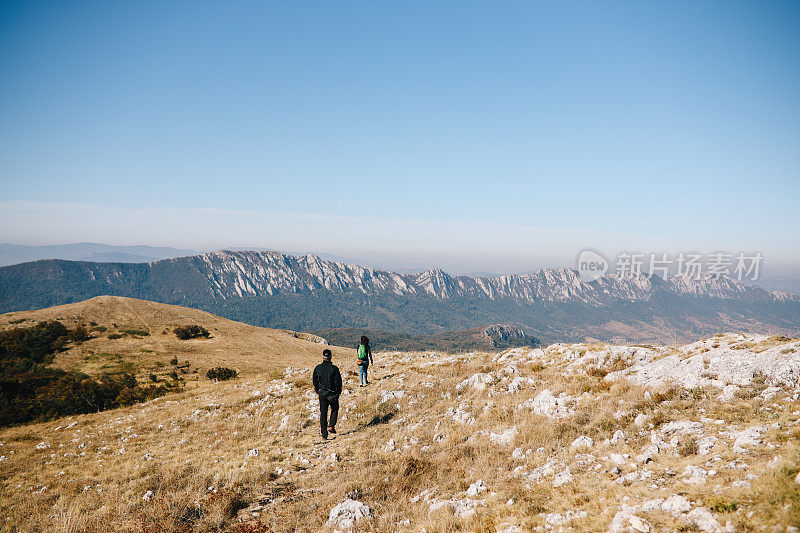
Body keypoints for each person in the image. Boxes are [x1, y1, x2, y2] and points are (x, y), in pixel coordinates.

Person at [312, 348, 342, 440]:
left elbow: (315, 381)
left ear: (323, 357)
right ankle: (331, 426)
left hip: (322, 394)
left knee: (323, 414)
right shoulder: (334, 368)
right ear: (331, 357)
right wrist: (338, 392)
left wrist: (318, 391)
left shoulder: (318, 368)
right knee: (335, 408)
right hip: (332, 394)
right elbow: (338, 382)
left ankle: (324, 435)